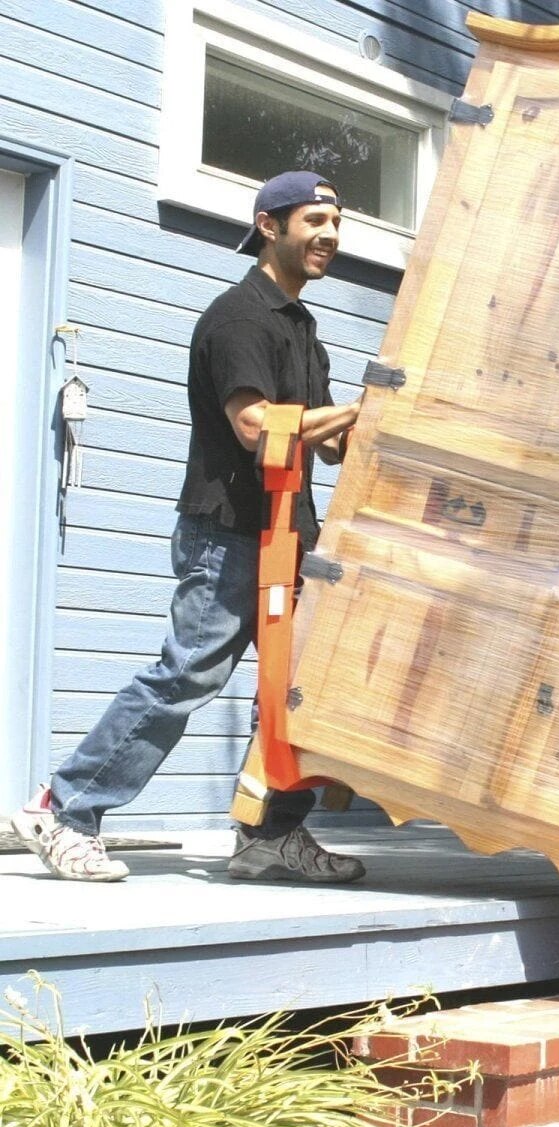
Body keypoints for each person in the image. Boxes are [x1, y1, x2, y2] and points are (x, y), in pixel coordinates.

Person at [13, 170, 366, 886]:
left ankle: (271, 835)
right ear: (270, 226)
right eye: (314, 221)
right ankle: (64, 809)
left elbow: (326, 442)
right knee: (186, 674)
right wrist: (355, 414)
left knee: (296, 688)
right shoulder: (241, 317)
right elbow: (254, 426)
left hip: (290, 535)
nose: (329, 235)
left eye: (336, 223)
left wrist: (389, 415)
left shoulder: (302, 328)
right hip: (229, 532)